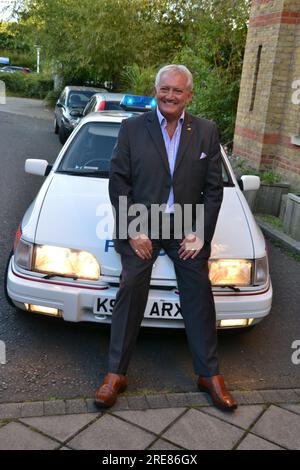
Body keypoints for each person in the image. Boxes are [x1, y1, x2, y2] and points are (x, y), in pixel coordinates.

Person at [95, 64, 237, 411]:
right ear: (155, 90)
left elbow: (213, 190)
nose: (170, 96)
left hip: (186, 225)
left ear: (189, 94)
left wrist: (200, 234)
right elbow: (119, 182)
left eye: (177, 90)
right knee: (131, 285)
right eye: (164, 89)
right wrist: (133, 229)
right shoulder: (132, 128)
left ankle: (208, 374)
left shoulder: (206, 131)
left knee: (199, 290)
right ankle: (116, 374)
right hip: (143, 221)